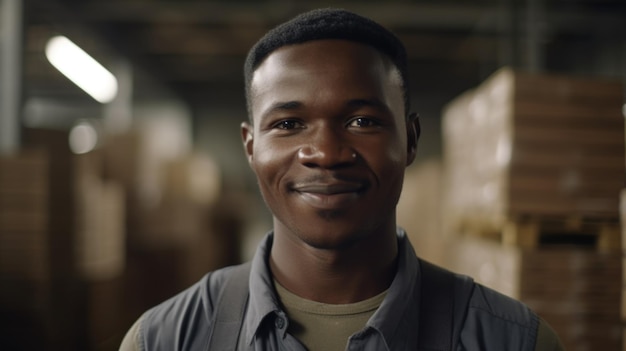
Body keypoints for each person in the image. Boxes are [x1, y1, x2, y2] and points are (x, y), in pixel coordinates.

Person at [119, 8, 563, 351]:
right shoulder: (164, 339)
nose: (327, 154)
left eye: (362, 120)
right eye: (289, 124)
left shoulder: (515, 341)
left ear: (410, 140)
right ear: (250, 147)